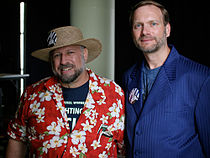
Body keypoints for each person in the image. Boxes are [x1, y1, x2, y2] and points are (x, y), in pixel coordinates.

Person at [6, 26, 125, 157]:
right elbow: (17, 138)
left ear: (84, 54)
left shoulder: (113, 93)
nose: (63, 61)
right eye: (57, 55)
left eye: (70, 52)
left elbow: (125, 145)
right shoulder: (32, 94)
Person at [122, 1, 210, 158]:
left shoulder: (199, 77)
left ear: (167, 29)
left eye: (153, 24)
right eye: (138, 25)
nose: (145, 32)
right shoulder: (129, 76)